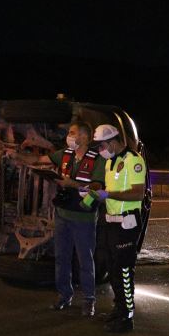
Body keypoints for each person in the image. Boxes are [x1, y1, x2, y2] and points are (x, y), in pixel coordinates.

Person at [89, 124, 147, 333]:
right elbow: (108, 189)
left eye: (102, 146)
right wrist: (94, 192)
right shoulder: (109, 162)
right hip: (111, 221)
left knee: (123, 271)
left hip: (127, 223)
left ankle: (127, 318)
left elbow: (138, 194)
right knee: (111, 267)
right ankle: (119, 308)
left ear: (113, 142)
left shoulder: (133, 161)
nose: (100, 150)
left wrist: (109, 195)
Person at [48, 122, 106, 316]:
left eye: (72, 133)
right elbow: (42, 158)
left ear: (83, 137)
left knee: (85, 261)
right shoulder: (66, 154)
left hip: (84, 219)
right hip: (62, 215)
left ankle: (89, 300)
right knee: (61, 258)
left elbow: (97, 187)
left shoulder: (97, 160)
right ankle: (64, 295)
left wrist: (71, 183)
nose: (68, 136)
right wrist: (21, 158)